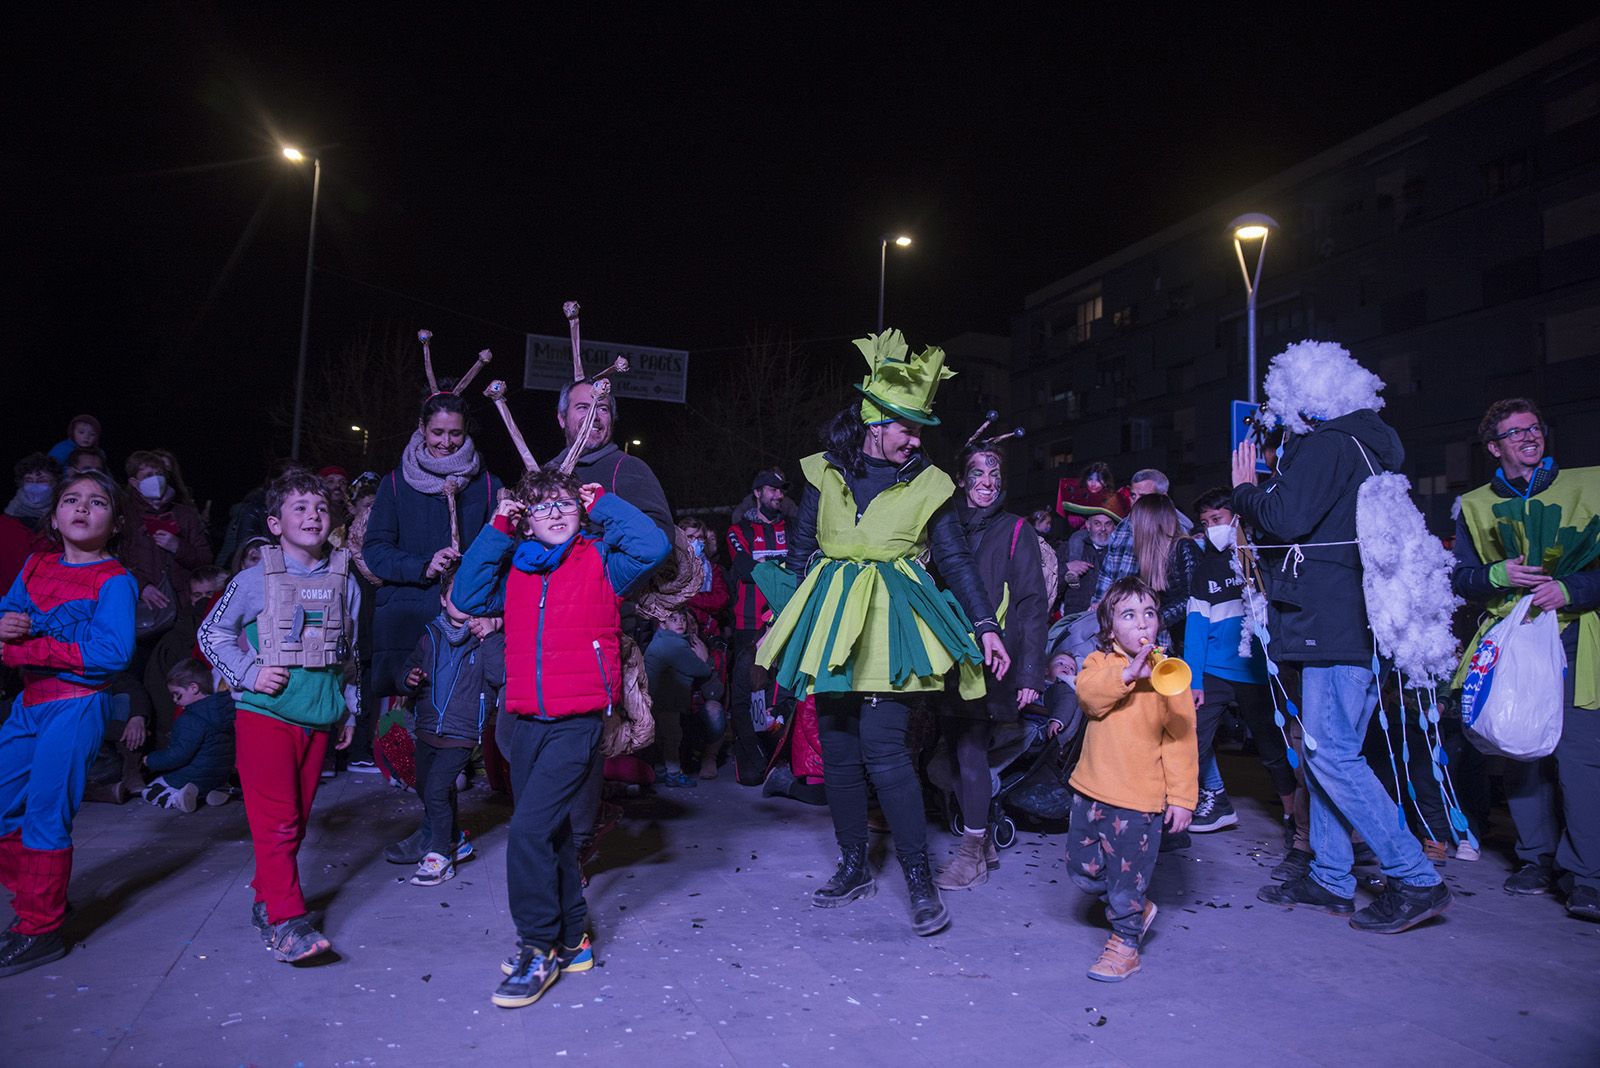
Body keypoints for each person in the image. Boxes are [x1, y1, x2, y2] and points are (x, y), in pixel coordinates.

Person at [756, 329, 1010, 937]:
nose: (917, 439)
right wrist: (788, 627)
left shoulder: (930, 484)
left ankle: (919, 880)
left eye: (920, 429)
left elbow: (955, 561)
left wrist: (984, 625)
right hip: (829, 622)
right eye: (908, 427)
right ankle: (852, 866)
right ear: (874, 419)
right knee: (838, 754)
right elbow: (798, 556)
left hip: (891, 630)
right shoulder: (822, 474)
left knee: (887, 755)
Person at [1233, 340, 1449, 934]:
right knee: (1330, 753)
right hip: (1348, 618)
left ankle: (1415, 875)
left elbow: (1286, 519)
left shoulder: (1328, 445)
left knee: (1329, 753)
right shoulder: (1364, 443)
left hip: (1330, 621)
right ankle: (1330, 876)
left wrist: (1245, 490)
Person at [451, 467, 669, 1009]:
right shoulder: (514, 571)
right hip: (522, 720)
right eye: (540, 506)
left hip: (577, 721)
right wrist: (498, 528)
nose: (553, 514)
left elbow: (654, 545)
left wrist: (605, 505)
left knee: (526, 833)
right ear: (524, 519)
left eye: (564, 505)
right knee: (545, 837)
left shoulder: (601, 563)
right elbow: (467, 593)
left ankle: (537, 946)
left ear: (580, 513)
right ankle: (573, 940)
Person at [197, 471, 362, 963]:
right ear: (274, 523)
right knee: (276, 823)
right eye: (299, 508)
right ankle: (288, 922)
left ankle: (266, 897)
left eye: (320, 508)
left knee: (295, 819)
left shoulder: (345, 581)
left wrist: (349, 707)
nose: (312, 515)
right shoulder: (252, 580)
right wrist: (248, 672)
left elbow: (350, 652)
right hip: (265, 714)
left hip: (319, 716)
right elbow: (211, 635)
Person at [1451, 397, 1600, 920]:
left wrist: (1575, 588)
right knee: (1518, 749)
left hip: (1578, 637)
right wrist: (1498, 576)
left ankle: (1587, 875)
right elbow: (1462, 577)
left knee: (1581, 758)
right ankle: (1534, 858)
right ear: (1494, 447)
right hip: (1512, 639)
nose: (1529, 438)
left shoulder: (1590, 484)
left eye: (1534, 428)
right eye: (1515, 433)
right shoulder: (1473, 504)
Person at [0, 469, 137, 976]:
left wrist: (26, 646)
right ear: (55, 515)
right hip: (29, 703)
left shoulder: (114, 579)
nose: (82, 508)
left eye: (97, 502)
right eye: (72, 499)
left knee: (45, 814)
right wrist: (3, 624)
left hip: (76, 704)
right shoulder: (34, 565)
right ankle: (47, 899)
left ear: (116, 522)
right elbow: (10, 611)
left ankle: (39, 929)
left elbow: (112, 651)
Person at [363, 388, 502, 770]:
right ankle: (410, 777)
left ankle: (451, 779)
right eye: (437, 432)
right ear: (422, 428)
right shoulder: (395, 484)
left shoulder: (488, 486)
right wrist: (422, 565)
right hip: (411, 618)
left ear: (466, 431)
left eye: (454, 433)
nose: (446, 442)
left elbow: (504, 551)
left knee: (460, 711)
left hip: (465, 621)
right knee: (408, 708)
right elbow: (375, 549)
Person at [1067, 578, 1197, 981]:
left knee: (1126, 881)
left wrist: (1181, 798)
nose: (1142, 623)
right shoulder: (1099, 666)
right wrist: (1127, 674)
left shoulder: (1170, 678)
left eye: (1150, 614)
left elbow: (1181, 740)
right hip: (1090, 790)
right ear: (1109, 631)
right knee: (1083, 871)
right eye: (1129, 615)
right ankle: (1135, 906)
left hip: (1140, 801)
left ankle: (1125, 943)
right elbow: (1089, 699)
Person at [934, 440, 1047, 890]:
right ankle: (985, 838)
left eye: (994, 477)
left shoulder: (1017, 530)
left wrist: (1031, 674)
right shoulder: (945, 527)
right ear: (961, 480)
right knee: (946, 761)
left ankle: (971, 854)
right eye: (978, 475)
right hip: (945, 656)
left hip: (993, 660)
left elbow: (1033, 604)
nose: (987, 483)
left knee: (969, 751)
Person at [1183, 488, 1296, 835]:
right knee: (1191, 740)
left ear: (1237, 519)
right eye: (1205, 523)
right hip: (1214, 671)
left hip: (1257, 672)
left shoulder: (1263, 560)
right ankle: (1207, 802)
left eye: (1217, 519)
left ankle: (1295, 816)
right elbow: (1196, 629)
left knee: (1271, 746)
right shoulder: (1206, 570)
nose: (1211, 528)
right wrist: (1194, 680)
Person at [389, 585, 505, 887]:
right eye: (457, 594)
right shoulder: (430, 635)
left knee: (438, 790)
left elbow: (499, 676)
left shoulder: (486, 638)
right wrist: (408, 678)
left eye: (472, 595)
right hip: (428, 726)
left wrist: (491, 636)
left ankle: (440, 857)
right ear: (442, 599)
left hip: (462, 731)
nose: (466, 601)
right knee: (426, 786)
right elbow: (408, 669)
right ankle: (455, 839)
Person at [725, 469, 790, 784]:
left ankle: (782, 757)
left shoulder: (790, 528)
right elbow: (745, 569)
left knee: (784, 693)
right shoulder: (738, 530)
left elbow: (803, 566)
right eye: (773, 490)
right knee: (751, 694)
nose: (779, 495)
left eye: (781, 491)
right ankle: (752, 761)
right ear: (757, 493)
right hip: (749, 625)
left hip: (787, 621)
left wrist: (767, 568)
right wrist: (781, 569)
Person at [141, 659, 236, 811]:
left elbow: (179, 754)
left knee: (152, 789)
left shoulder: (190, 718)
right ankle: (216, 791)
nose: (174, 700)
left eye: (177, 695)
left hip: (194, 775)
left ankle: (177, 799)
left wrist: (151, 760)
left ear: (193, 688)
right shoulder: (225, 710)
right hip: (220, 773)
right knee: (207, 779)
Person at [1091, 468, 1192, 604]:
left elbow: (1181, 590)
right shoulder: (1123, 526)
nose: (1136, 502)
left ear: (1162, 497)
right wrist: (1098, 602)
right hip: (1116, 609)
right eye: (1133, 496)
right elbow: (1108, 570)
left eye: (1143, 497)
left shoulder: (1176, 528)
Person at [645, 608, 721, 787]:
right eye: (673, 619)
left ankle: (660, 770)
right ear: (662, 624)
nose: (680, 623)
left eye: (682, 619)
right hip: (667, 702)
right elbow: (700, 669)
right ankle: (673, 773)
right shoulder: (675, 645)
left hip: (658, 700)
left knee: (661, 736)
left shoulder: (663, 640)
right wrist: (704, 659)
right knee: (672, 737)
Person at [1057, 461, 1129, 534]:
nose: (1093, 484)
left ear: (1106, 482)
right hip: (1084, 535)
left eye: (1098, 480)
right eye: (1090, 479)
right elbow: (1072, 522)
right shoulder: (1079, 498)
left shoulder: (1113, 500)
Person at [5, 455, 62, 537]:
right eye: (28, 480)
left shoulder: (64, 519)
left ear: (55, 482)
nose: (34, 485)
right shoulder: (6, 520)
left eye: (41, 480)